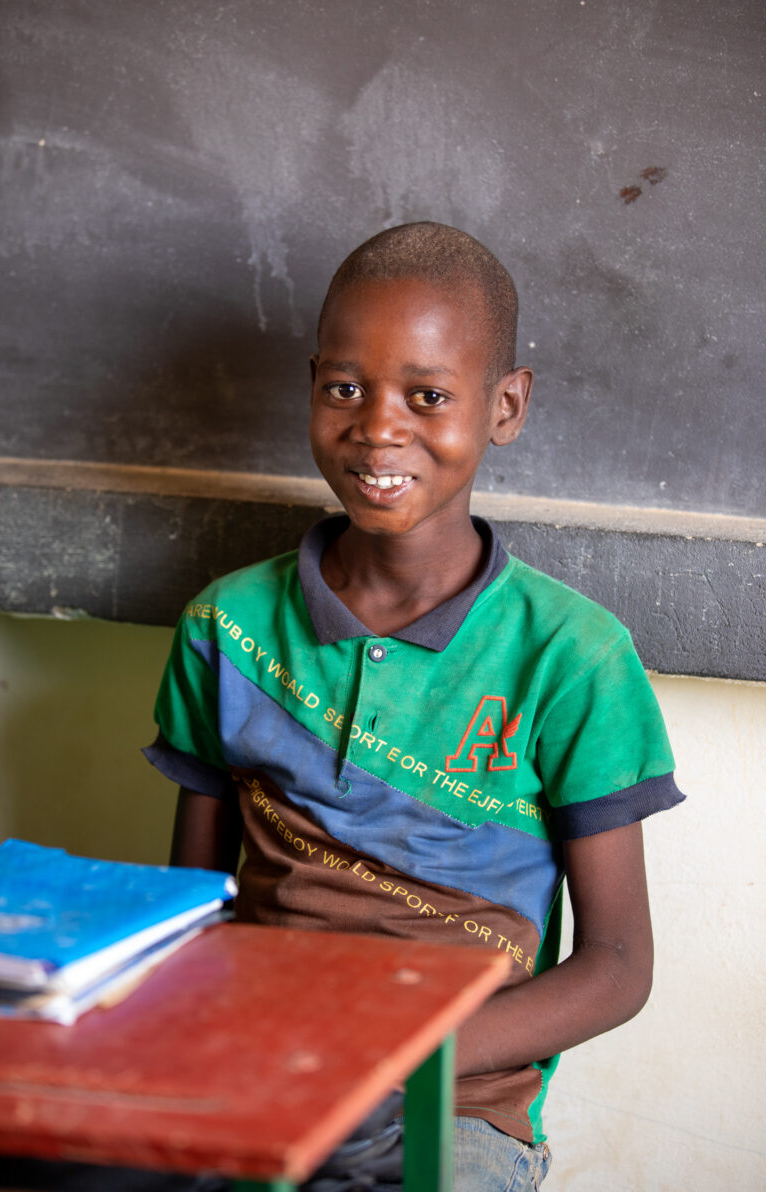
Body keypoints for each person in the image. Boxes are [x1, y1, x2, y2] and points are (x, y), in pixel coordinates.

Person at [144, 222, 684, 1190]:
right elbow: (189, 911)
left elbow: (614, 965)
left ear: (504, 406)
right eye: (344, 389)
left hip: (453, 1108)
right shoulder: (227, 626)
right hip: (256, 1071)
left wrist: (395, 1058)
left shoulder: (572, 657)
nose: (377, 428)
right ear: (313, 385)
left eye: (426, 396)